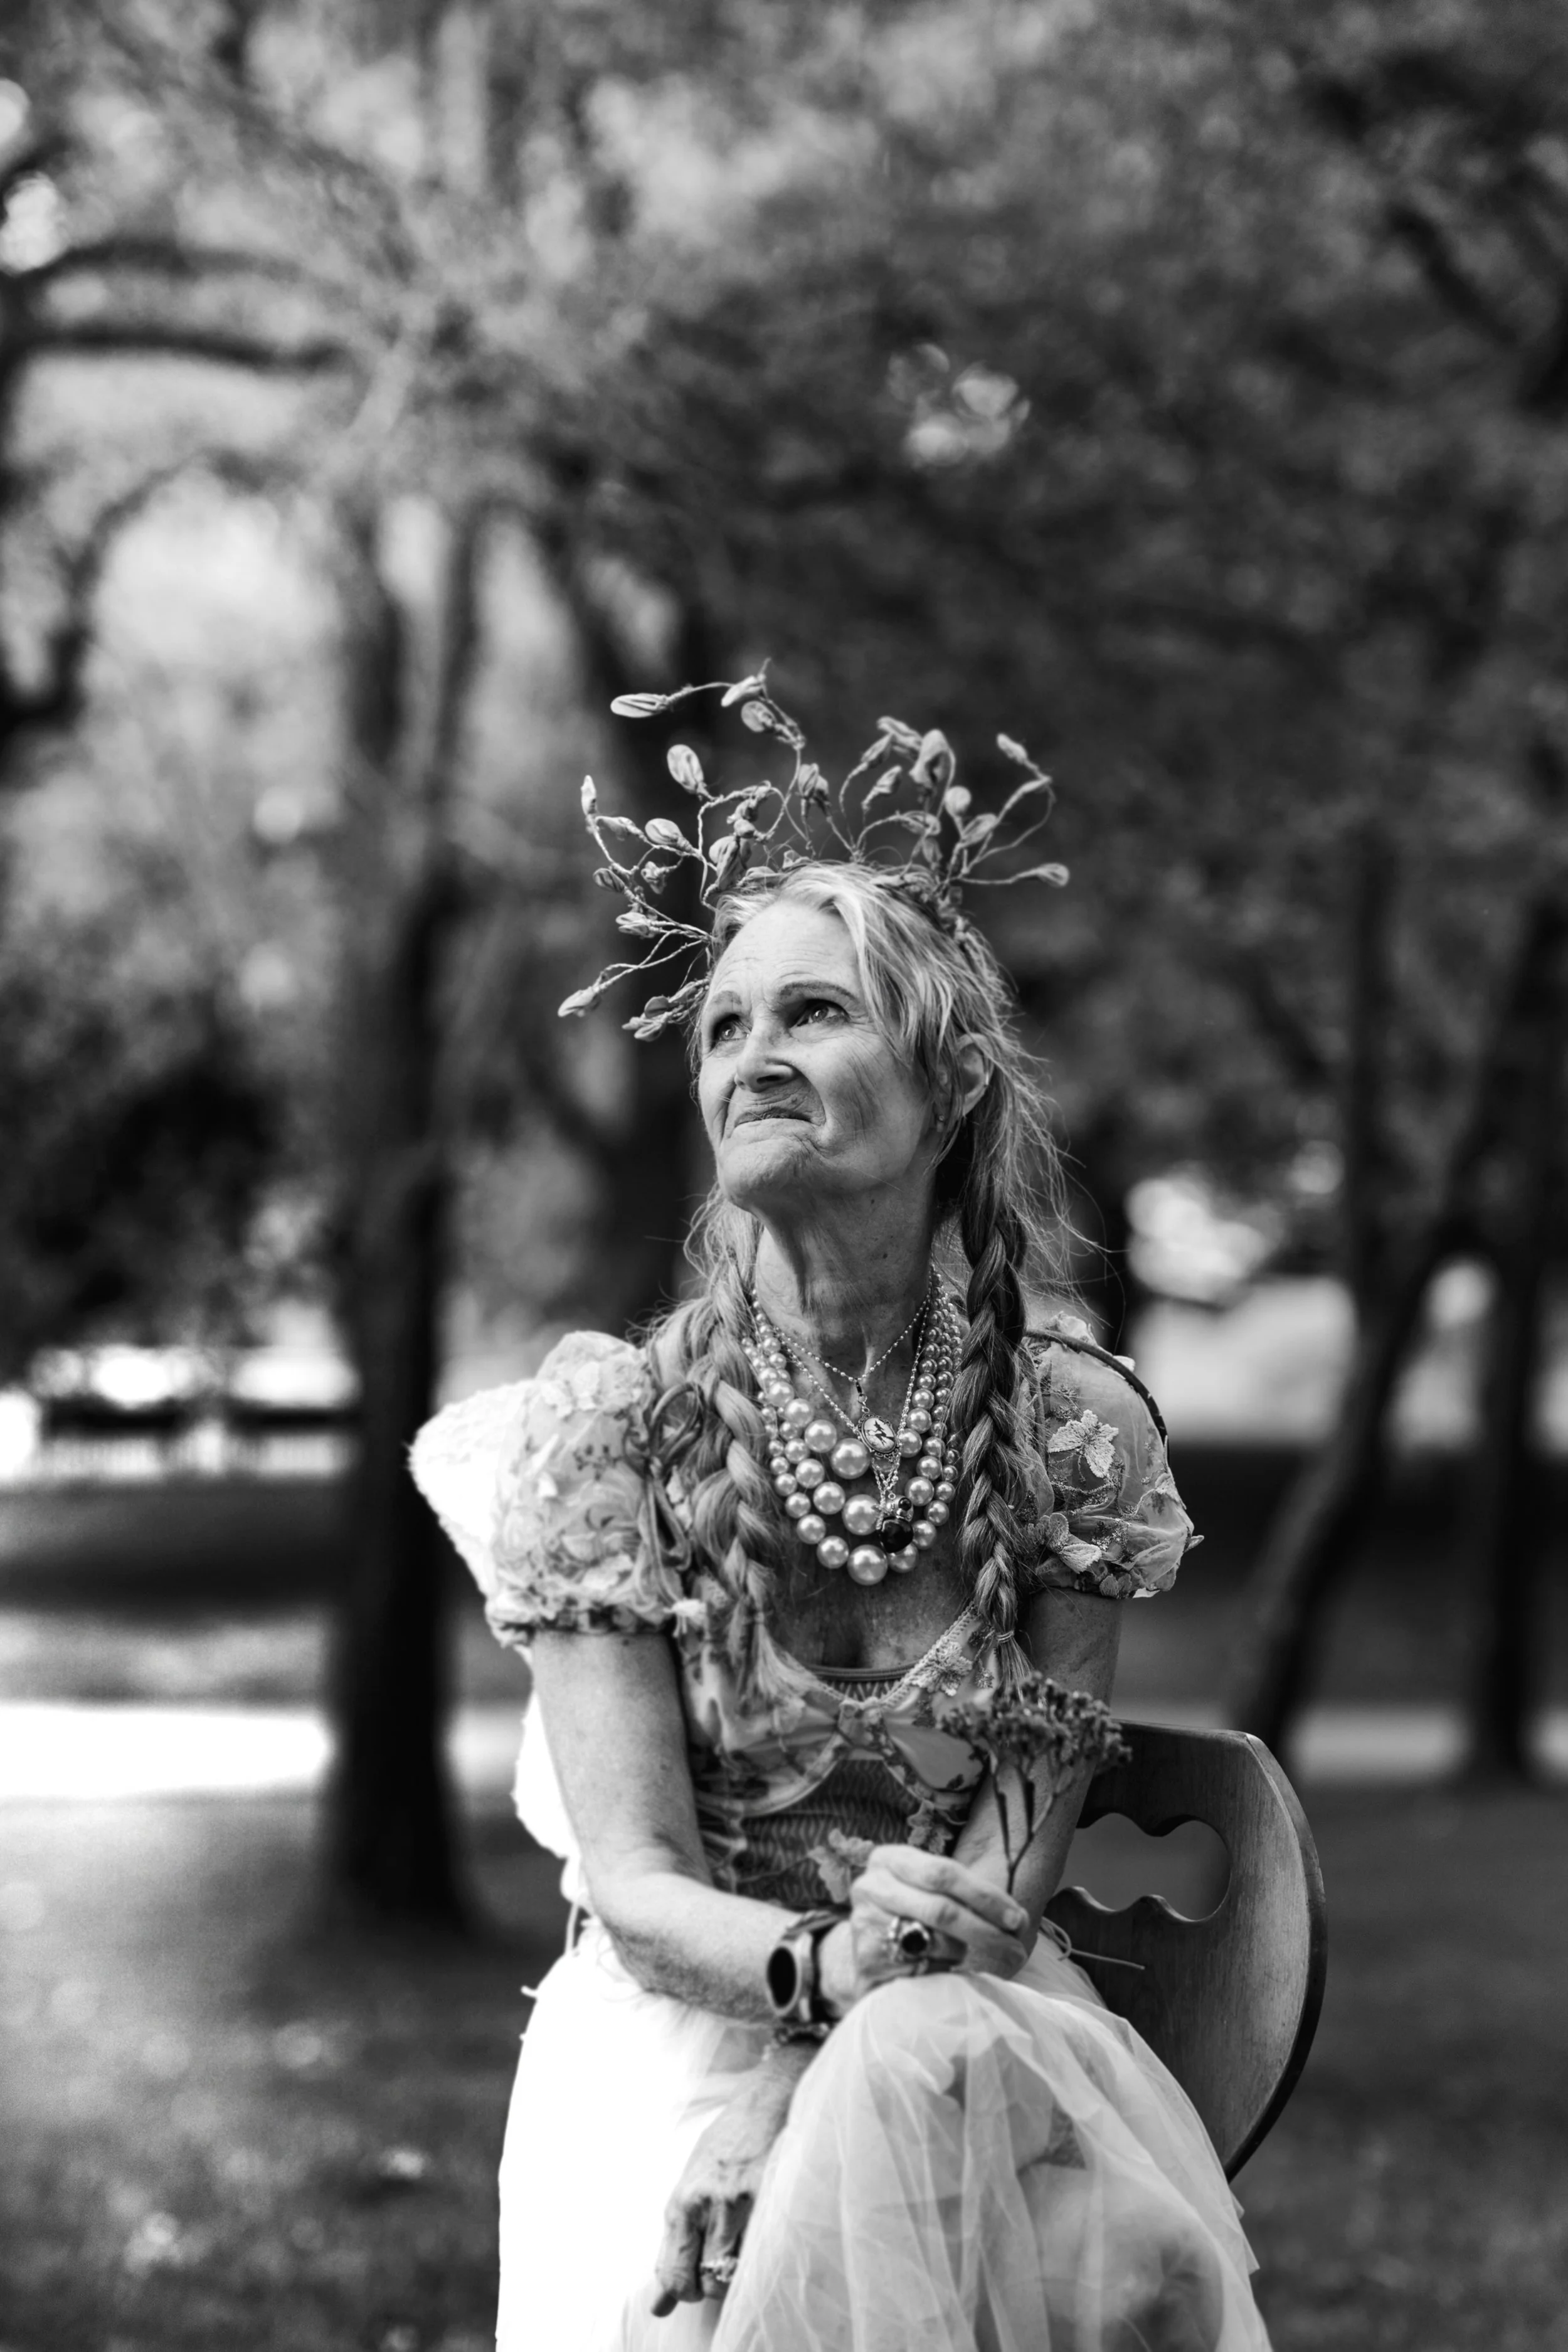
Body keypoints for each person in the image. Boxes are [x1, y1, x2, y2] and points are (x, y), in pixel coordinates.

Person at [412, 686, 1272, 2351]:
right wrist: (804, 2049)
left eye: (811, 1012)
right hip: (692, 2025)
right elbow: (643, 1885)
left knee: (1142, 2274)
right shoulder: (613, 1436)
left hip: (968, 2015)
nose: (751, 1058)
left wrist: (914, 2000)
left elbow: (1015, 1843)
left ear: (947, 1087)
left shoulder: (1067, 1431)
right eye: (723, 1028)